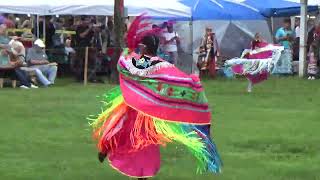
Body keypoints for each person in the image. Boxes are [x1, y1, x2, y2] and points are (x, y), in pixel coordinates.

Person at [89, 15, 222, 179]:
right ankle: (142, 173)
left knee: (118, 127)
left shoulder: (137, 61)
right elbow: (178, 80)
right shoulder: (163, 65)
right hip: (149, 113)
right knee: (144, 141)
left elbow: (121, 65)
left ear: (143, 47)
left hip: (130, 106)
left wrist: (127, 51)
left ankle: (106, 150)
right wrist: (194, 85)